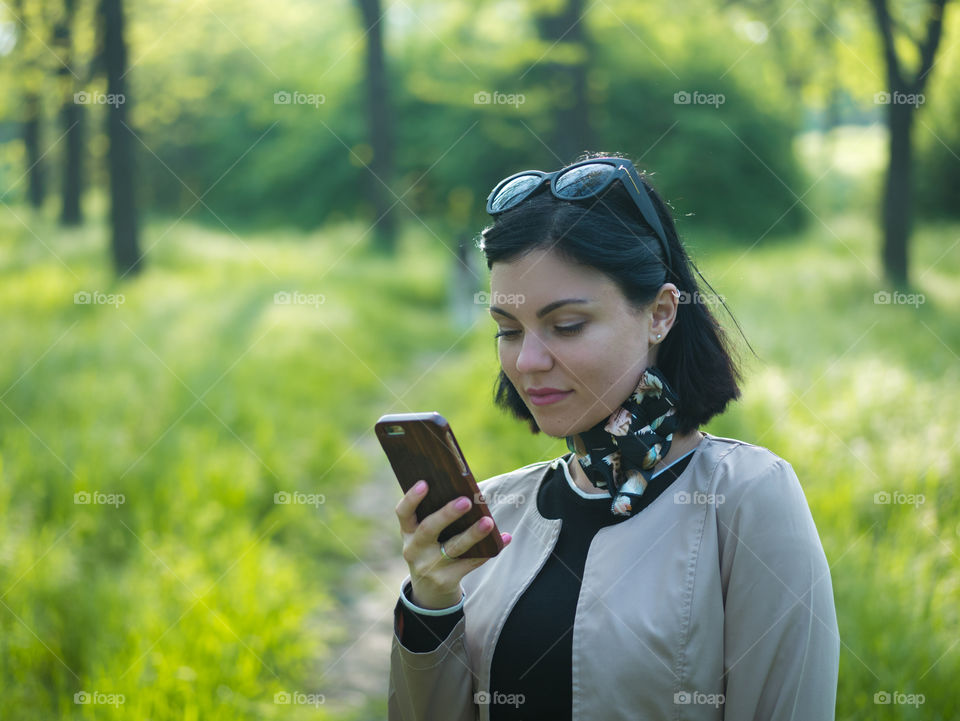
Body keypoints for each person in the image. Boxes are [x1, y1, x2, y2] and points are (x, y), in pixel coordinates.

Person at [387, 152, 840, 721]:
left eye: (567, 326)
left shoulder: (748, 500)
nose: (526, 361)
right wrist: (431, 607)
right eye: (507, 329)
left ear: (659, 314)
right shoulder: (494, 511)